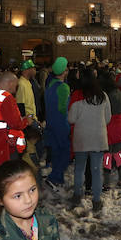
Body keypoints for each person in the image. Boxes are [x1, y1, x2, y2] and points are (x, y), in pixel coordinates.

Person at [67, 71, 111, 212]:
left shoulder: (78, 98)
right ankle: (97, 201)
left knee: (79, 169)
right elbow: (108, 117)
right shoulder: (103, 96)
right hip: (98, 138)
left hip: (82, 139)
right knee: (97, 171)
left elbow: (71, 119)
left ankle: (77, 195)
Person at [43, 57, 71, 190]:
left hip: (50, 122)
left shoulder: (50, 84)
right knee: (65, 152)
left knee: (55, 151)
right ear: (64, 71)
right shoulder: (63, 87)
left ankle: (58, 177)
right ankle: (54, 177)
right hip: (60, 123)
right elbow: (63, 109)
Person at [100, 70, 121, 188]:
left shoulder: (105, 95)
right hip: (120, 125)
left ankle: (107, 182)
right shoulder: (119, 93)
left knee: (107, 155)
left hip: (109, 125)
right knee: (117, 154)